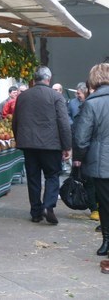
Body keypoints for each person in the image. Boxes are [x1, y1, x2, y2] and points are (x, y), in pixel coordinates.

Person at [12, 66, 72, 225]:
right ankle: (48, 206)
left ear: (35, 78)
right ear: (48, 79)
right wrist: (67, 146)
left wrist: (19, 139)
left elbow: (15, 121)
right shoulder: (55, 96)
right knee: (52, 175)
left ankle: (36, 212)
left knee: (33, 178)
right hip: (50, 144)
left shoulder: (23, 97)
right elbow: (64, 123)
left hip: (28, 144)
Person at [73, 64, 109, 264]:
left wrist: (78, 157)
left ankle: (106, 241)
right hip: (102, 160)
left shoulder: (91, 104)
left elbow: (81, 138)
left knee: (104, 204)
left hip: (101, 163)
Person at [69, 81, 99, 221]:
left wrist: (77, 157)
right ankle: (97, 207)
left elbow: (80, 134)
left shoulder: (87, 108)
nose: (77, 95)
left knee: (88, 180)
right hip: (95, 150)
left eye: (79, 93)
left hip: (88, 150)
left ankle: (94, 208)